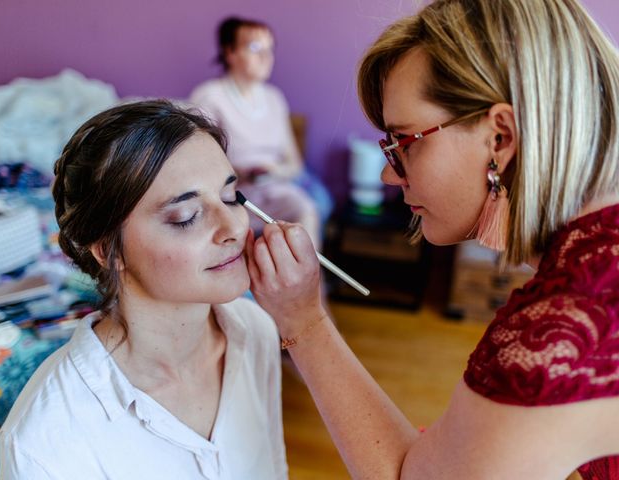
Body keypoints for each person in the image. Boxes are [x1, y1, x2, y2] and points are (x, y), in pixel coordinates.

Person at [244, 1, 619, 479]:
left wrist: (303, 319)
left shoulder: (568, 324)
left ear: (499, 138)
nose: (386, 173)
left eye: (403, 143)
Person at [0, 100, 288, 479]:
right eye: (186, 217)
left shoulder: (255, 332)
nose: (233, 227)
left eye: (231, 198)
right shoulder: (42, 443)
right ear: (108, 250)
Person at [188, 16, 332, 250]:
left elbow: (294, 163)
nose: (266, 57)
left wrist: (274, 171)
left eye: (270, 49)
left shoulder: (275, 99)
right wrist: (240, 173)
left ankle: (308, 283)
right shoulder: (209, 97)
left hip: (275, 186)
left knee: (306, 209)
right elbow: (196, 160)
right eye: (255, 48)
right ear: (230, 53)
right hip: (234, 190)